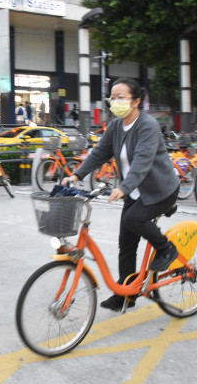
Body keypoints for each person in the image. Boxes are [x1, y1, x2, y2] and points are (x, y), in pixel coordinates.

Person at [62, 78, 180, 311]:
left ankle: (166, 248)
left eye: (121, 97)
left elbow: (142, 162)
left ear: (135, 101)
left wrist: (123, 187)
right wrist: (76, 175)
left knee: (133, 219)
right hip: (136, 192)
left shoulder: (147, 126)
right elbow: (99, 154)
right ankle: (125, 294)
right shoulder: (116, 126)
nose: (115, 101)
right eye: (112, 97)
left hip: (160, 191)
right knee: (126, 244)